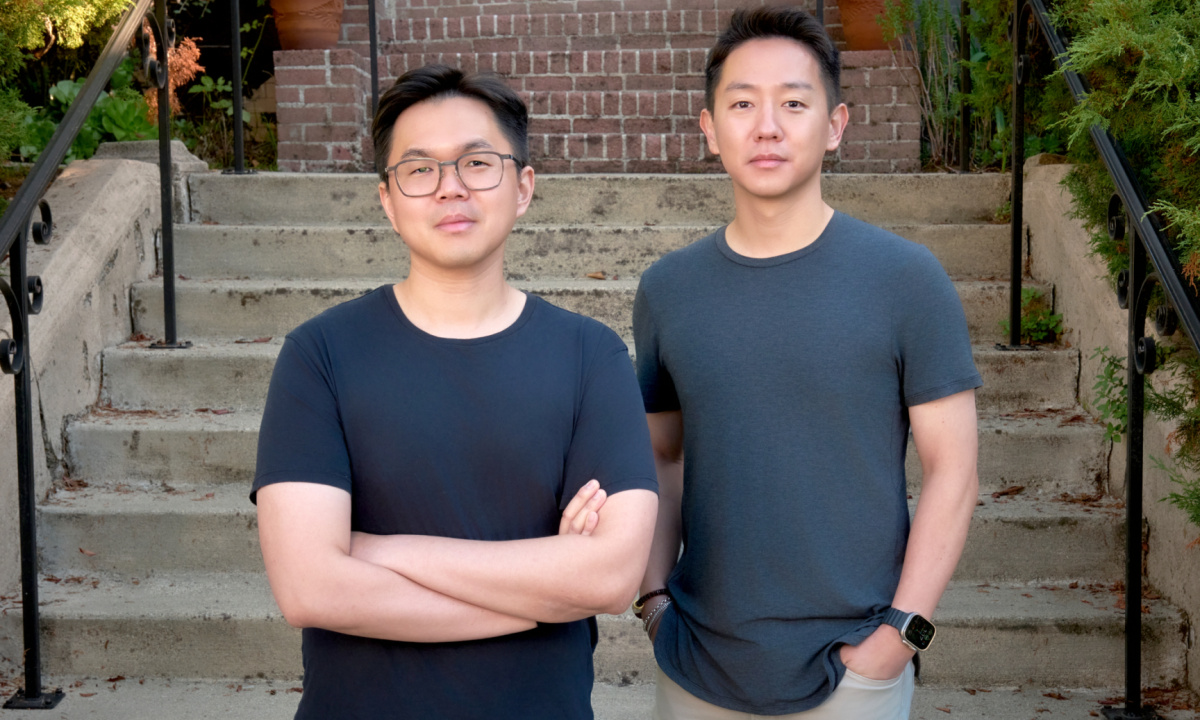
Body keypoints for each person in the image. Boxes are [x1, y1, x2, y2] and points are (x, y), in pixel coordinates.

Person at [252, 65, 658, 720]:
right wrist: (538, 597)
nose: (450, 187)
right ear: (388, 199)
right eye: (419, 169)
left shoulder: (591, 356)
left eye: (477, 163)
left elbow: (610, 578)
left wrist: (377, 550)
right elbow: (310, 587)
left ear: (523, 187)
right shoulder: (320, 355)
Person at [632, 7, 982, 719]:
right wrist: (652, 602)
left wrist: (901, 638)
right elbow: (661, 457)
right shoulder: (668, 290)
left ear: (835, 124)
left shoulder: (906, 278)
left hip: (852, 670)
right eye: (742, 104)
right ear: (710, 129)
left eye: (794, 103)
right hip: (695, 663)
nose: (767, 126)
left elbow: (955, 471)